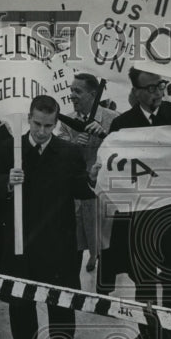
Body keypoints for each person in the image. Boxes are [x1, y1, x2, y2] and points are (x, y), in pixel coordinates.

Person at [0, 95, 96, 339]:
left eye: (49, 125)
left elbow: (80, 190)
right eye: (37, 124)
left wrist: (93, 178)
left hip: (58, 240)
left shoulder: (69, 152)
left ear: (56, 122)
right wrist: (6, 182)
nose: (42, 131)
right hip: (20, 239)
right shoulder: (11, 148)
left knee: (61, 300)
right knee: (21, 301)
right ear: (29, 118)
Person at [103, 68, 171, 313]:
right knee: (144, 283)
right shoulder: (122, 124)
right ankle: (147, 336)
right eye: (150, 88)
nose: (158, 92)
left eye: (160, 85)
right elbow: (113, 169)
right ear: (136, 92)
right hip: (141, 216)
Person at [56, 73, 118, 275]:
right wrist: (72, 144)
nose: (72, 95)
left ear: (93, 94)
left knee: (104, 244)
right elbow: (58, 150)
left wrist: (104, 136)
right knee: (74, 244)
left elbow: (123, 154)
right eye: (71, 90)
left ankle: (99, 266)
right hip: (77, 196)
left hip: (103, 197)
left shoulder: (112, 118)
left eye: (77, 91)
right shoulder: (67, 121)